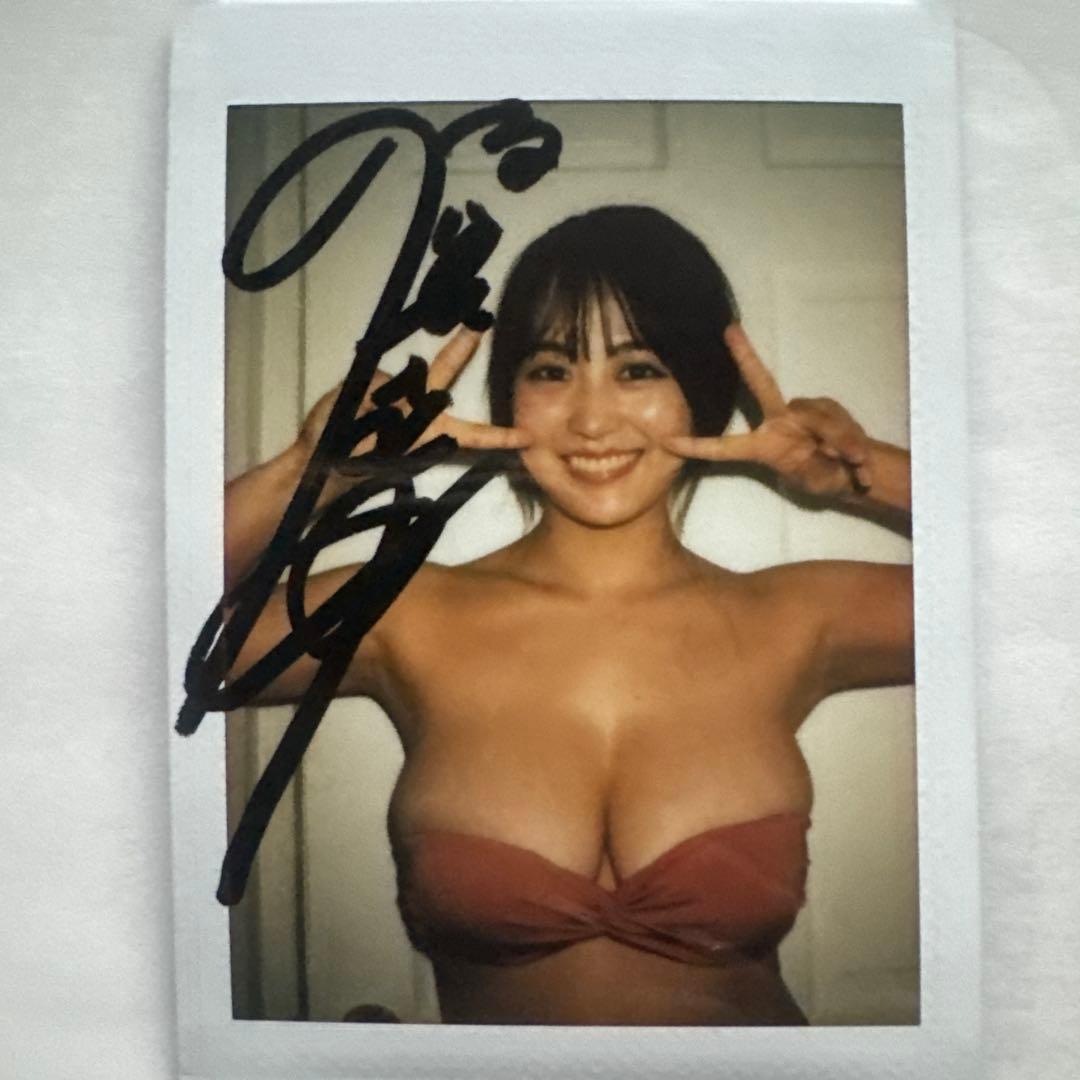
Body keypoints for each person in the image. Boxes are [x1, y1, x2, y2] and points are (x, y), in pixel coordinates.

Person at [224, 206, 913, 1026]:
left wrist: (866, 475)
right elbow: (131, 635)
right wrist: (314, 472)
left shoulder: (797, 617)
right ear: (510, 396)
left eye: (638, 369)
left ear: (700, 388)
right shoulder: (406, 611)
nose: (591, 419)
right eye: (551, 370)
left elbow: (1030, 599)